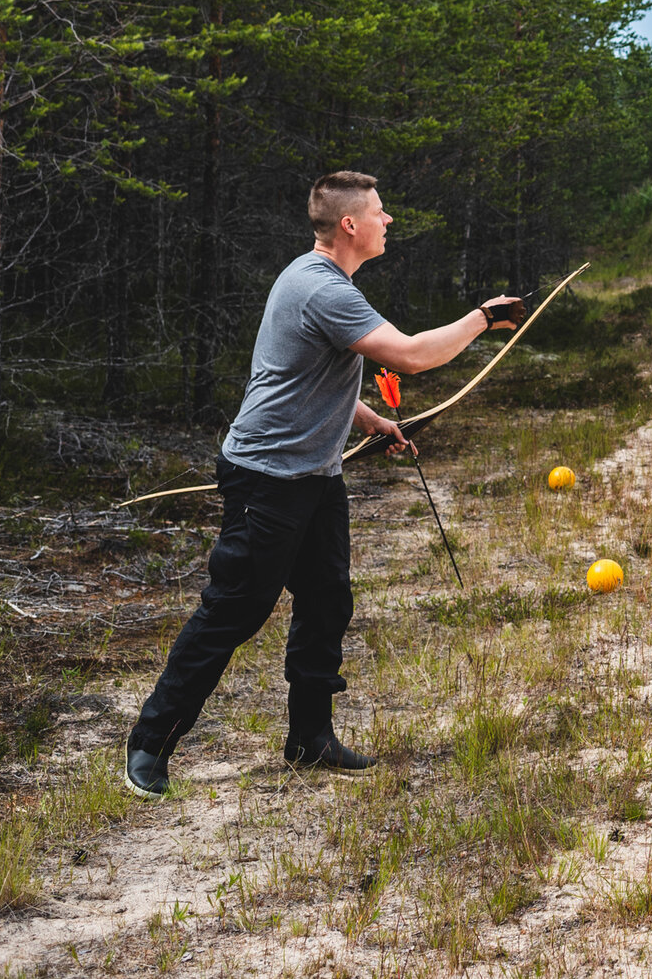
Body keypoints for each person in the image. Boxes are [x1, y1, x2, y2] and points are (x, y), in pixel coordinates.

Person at [123, 171, 524, 799]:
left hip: (314, 475)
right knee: (235, 610)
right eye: (380, 212)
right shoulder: (321, 289)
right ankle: (149, 743)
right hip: (266, 477)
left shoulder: (325, 284)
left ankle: (310, 738)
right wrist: (482, 317)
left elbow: (311, 374)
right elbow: (412, 354)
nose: (388, 221)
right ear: (349, 225)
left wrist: (370, 420)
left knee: (326, 600)